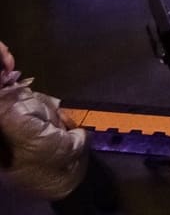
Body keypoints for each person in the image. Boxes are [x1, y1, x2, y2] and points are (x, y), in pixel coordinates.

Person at [0, 38, 117, 215]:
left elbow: (35, 99)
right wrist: (82, 133)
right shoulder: (16, 117)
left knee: (98, 182)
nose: (10, 51)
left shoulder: (7, 90)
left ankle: (108, 202)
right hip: (61, 178)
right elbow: (62, 149)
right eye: (6, 52)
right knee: (81, 203)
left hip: (55, 165)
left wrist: (57, 106)